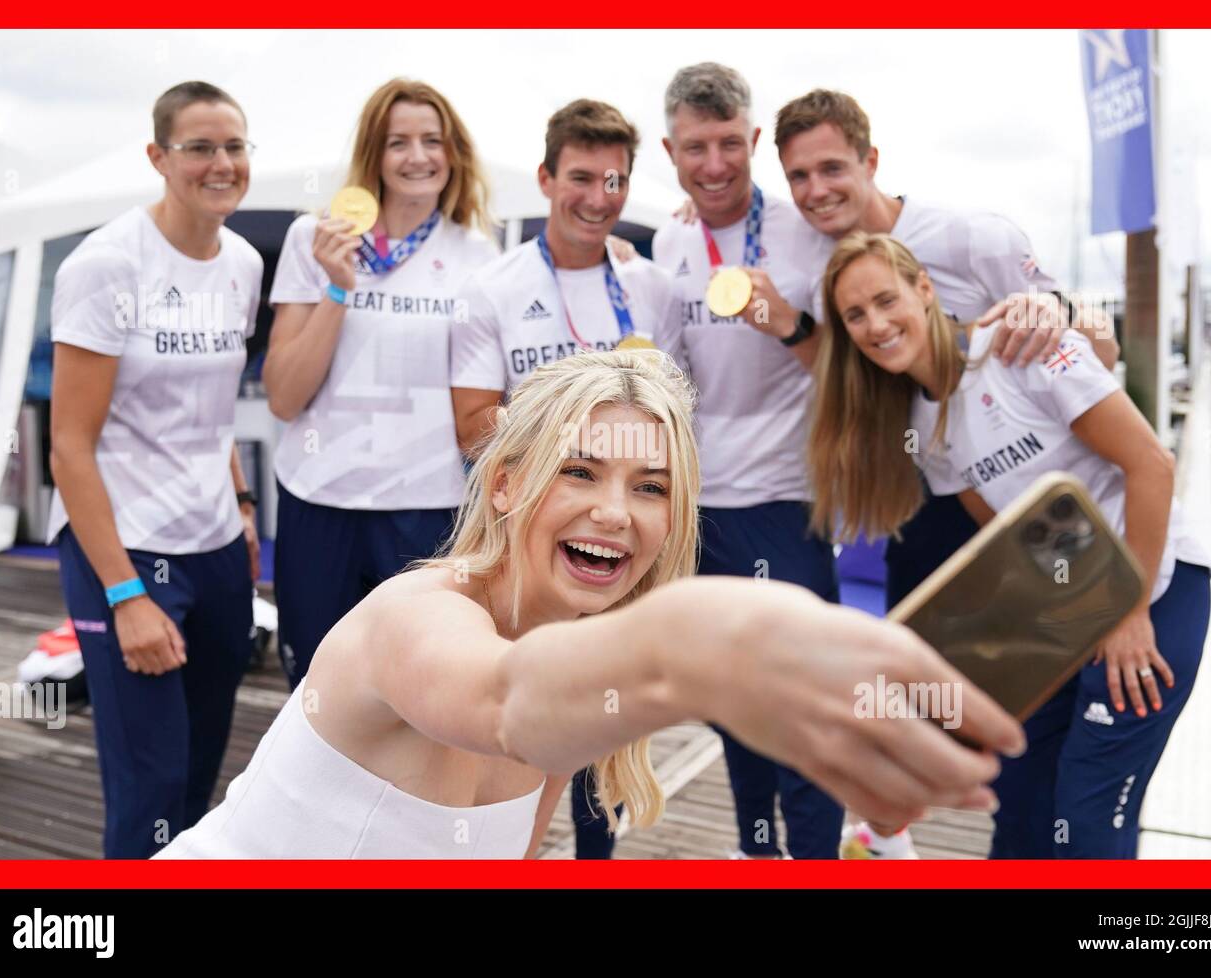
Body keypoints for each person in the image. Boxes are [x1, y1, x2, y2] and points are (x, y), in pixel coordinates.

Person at [154, 349, 1025, 860]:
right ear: (505, 484)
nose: (615, 512)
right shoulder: (414, 615)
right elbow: (504, 700)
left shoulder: (576, 669)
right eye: (580, 471)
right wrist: (708, 646)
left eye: (651, 487)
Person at [772, 88, 1121, 857]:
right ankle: (888, 838)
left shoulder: (969, 237)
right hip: (927, 493)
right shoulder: (810, 256)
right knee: (915, 702)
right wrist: (790, 325)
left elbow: (1092, 344)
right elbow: (846, 375)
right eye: (798, 176)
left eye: (832, 168)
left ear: (871, 160)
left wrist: (1067, 315)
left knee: (1033, 723)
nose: (816, 190)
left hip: (1019, 499)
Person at [810, 233, 1211, 859]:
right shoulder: (922, 421)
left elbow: (1152, 466)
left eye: (886, 300)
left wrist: (1127, 611)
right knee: (1021, 800)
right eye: (856, 315)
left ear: (924, 289)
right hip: (1075, 605)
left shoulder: (1021, 347)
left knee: (1088, 818)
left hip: (1154, 588)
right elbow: (1016, 536)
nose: (876, 325)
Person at [450, 98, 676, 857]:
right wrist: (573, 455)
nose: (597, 197)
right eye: (580, 177)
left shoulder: (651, 287)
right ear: (545, 179)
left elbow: (672, 418)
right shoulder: (493, 286)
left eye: (615, 181)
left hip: (617, 542)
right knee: (522, 717)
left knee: (606, 727)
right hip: (535, 541)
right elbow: (473, 425)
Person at [47, 81, 263, 858]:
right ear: (158, 157)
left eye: (234, 146)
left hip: (215, 546)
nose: (221, 163)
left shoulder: (243, 262)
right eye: (199, 147)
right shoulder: (107, 266)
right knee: (150, 785)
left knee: (201, 772)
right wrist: (127, 594)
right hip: (127, 550)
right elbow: (68, 446)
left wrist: (242, 504)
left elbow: (212, 408)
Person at [650, 63, 845, 860]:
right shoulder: (669, 240)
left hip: (787, 501)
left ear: (755, 139)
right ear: (670, 151)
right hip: (704, 510)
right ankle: (758, 854)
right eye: (696, 148)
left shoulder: (810, 231)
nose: (715, 165)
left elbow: (857, 374)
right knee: (735, 704)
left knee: (807, 704)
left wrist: (792, 324)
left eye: (730, 143)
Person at [263, 78, 499, 689]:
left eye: (432, 141)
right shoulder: (315, 239)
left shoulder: (479, 254)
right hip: (322, 500)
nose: (418, 157)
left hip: (429, 509)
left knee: (421, 692)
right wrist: (338, 288)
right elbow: (284, 397)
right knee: (315, 689)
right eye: (398, 142)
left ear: (453, 152)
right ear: (375, 153)